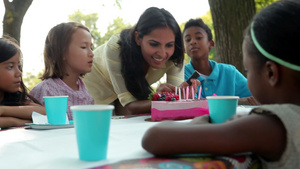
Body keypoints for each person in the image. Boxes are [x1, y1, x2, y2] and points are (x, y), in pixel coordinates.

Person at [142, 0, 300, 168]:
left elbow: (154, 138)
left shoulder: (271, 127)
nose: (193, 42)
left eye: (247, 70)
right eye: (187, 39)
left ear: (271, 73)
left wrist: (204, 121)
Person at [83, 7, 198, 115]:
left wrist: (181, 95)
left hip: (131, 91)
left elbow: (172, 102)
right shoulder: (116, 48)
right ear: (138, 38)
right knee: (102, 127)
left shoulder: (175, 56)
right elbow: (131, 106)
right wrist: (160, 99)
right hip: (97, 82)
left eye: (169, 45)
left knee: (135, 125)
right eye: (154, 44)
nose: (162, 53)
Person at [183, 18, 259, 105]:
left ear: (211, 44)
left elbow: (256, 96)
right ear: (184, 48)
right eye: (188, 40)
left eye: (198, 37)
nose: (192, 42)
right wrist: (238, 101)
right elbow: (191, 104)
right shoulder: (183, 74)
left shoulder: (229, 72)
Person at [30, 22, 94, 120]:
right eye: (84, 47)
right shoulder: (46, 90)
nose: (91, 53)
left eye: (91, 47)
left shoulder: (85, 90)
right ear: (62, 52)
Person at [0, 36, 46, 129]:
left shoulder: (13, 96)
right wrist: (14, 121)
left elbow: (45, 113)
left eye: (19, 66)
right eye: (10, 67)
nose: (19, 73)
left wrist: (4, 111)